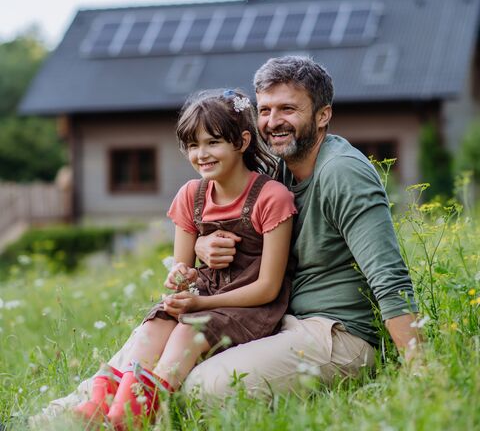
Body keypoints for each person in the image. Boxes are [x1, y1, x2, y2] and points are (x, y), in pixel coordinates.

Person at [36, 56, 420, 422]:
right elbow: (244, 230)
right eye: (266, 109)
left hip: (335, 332)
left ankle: (128, 415)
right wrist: (202, 246)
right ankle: (66, 415)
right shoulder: (280, 170)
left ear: (323, 115)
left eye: (288, 109)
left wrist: (420, 370)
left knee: (203, 387)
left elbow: (390, 277)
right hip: (278, 319)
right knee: (156, 332)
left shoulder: (342, 173)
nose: (274, 121)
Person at [73, 89, 296, 428]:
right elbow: (185, 270)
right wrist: (180, 280)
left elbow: (267, 288)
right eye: (193, 145)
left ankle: (136, 415)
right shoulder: (191, 195)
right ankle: (102, 407)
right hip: (203, 297)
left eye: (212, 143)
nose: (201, 154)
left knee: (184, 333)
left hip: (248, 303)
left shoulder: (271, 197)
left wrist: (197, 305)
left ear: (242, 141)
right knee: (154, 327)